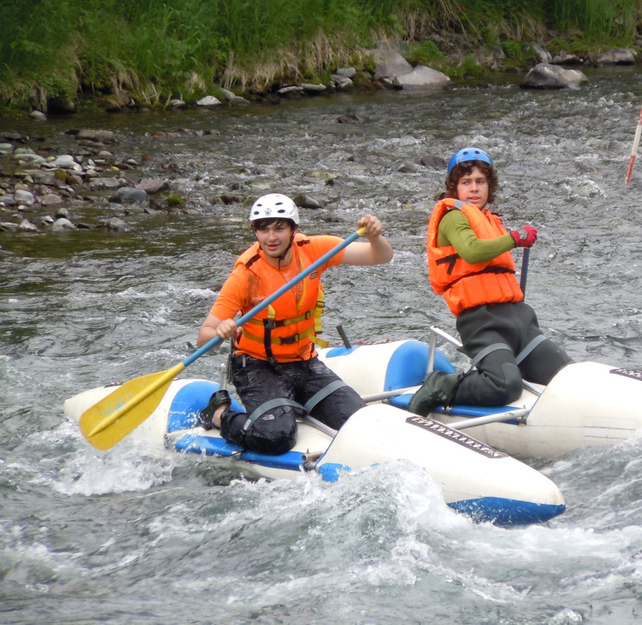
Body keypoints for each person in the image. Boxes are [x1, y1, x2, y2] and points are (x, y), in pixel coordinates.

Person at [196, 193, 393, 455]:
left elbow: (380, 256)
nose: (271, 237)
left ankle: (295, 401)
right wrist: (220, 332)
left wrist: (374, 236)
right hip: (257, 366)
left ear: (293, 229)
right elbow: (204, 337)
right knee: (275, 438)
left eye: (279, 228)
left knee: (358, 423)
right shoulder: (245, 274)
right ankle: (219, 415)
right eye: (263, 229)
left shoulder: (314, 249)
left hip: (305, 362)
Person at [407, 147, 572, 417]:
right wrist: (515, 238)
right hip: (481, 322)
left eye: (480, 181)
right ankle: (443, 384)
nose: (474, 189)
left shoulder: (491, 221)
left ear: (489, 185)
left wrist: (512, 236)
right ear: (454, 187)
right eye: (466, 182)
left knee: (567, 376)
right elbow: (472, 251)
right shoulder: (452, 218)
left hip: (520, 320)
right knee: (505, 385)